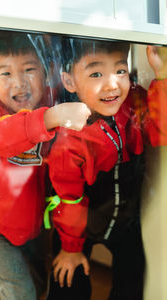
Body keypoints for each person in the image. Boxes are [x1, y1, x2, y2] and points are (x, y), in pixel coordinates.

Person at [0, 31, 91, 300]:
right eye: (5, 74)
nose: (19, 83)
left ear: (46, 73)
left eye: (29, 69)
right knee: (21, 292)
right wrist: (49, 118)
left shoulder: (51, 101)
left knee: (39, 286)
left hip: (31, 223)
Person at [45, 37, 167, 300]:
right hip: (80, 227)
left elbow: (161, 133)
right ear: (70, 82)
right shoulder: (69, 140)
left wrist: (162, 75)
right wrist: (70, 247)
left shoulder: (134, 101)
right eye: (96, 73)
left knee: (133, 282)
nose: (112, 84)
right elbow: (70, 200)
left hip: (125, 221)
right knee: (68, 282)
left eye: (120, 70)